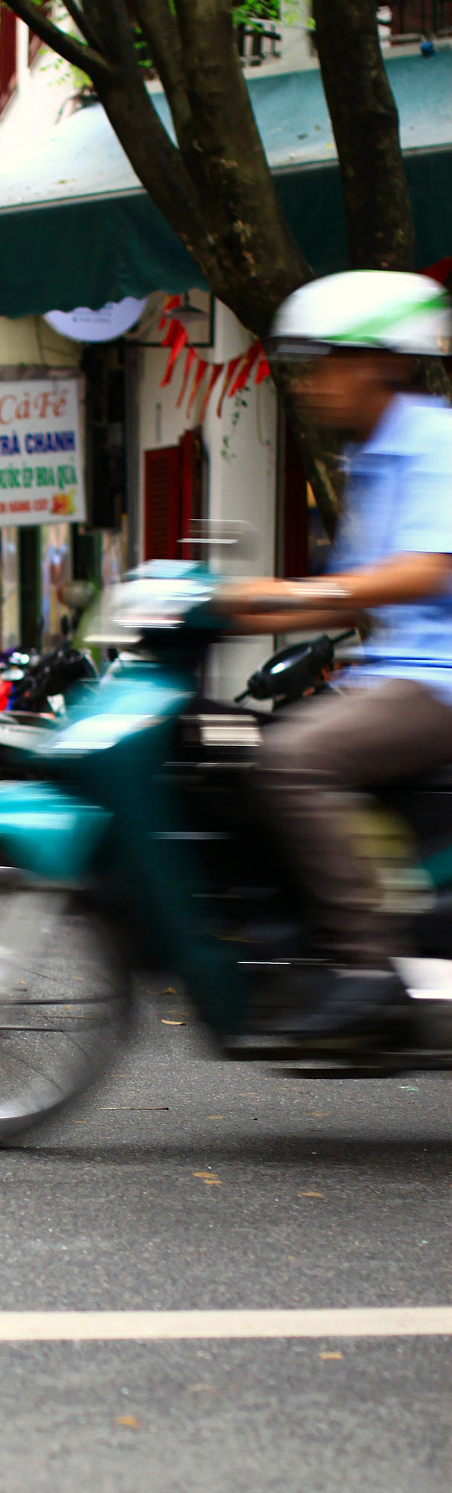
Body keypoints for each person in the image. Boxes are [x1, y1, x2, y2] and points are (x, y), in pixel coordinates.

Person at [227, 270, 452, 1040]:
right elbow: (356, 592)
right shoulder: (371, 453)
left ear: (377, 362)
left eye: (325, 363)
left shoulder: (432, 439)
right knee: (234, 746)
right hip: (398, 675)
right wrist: (225, 603)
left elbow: (424, 568)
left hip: (439, 681)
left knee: (294, 760)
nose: (312, 385)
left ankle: (366, 968)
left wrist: (291, 597)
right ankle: (299, 940)